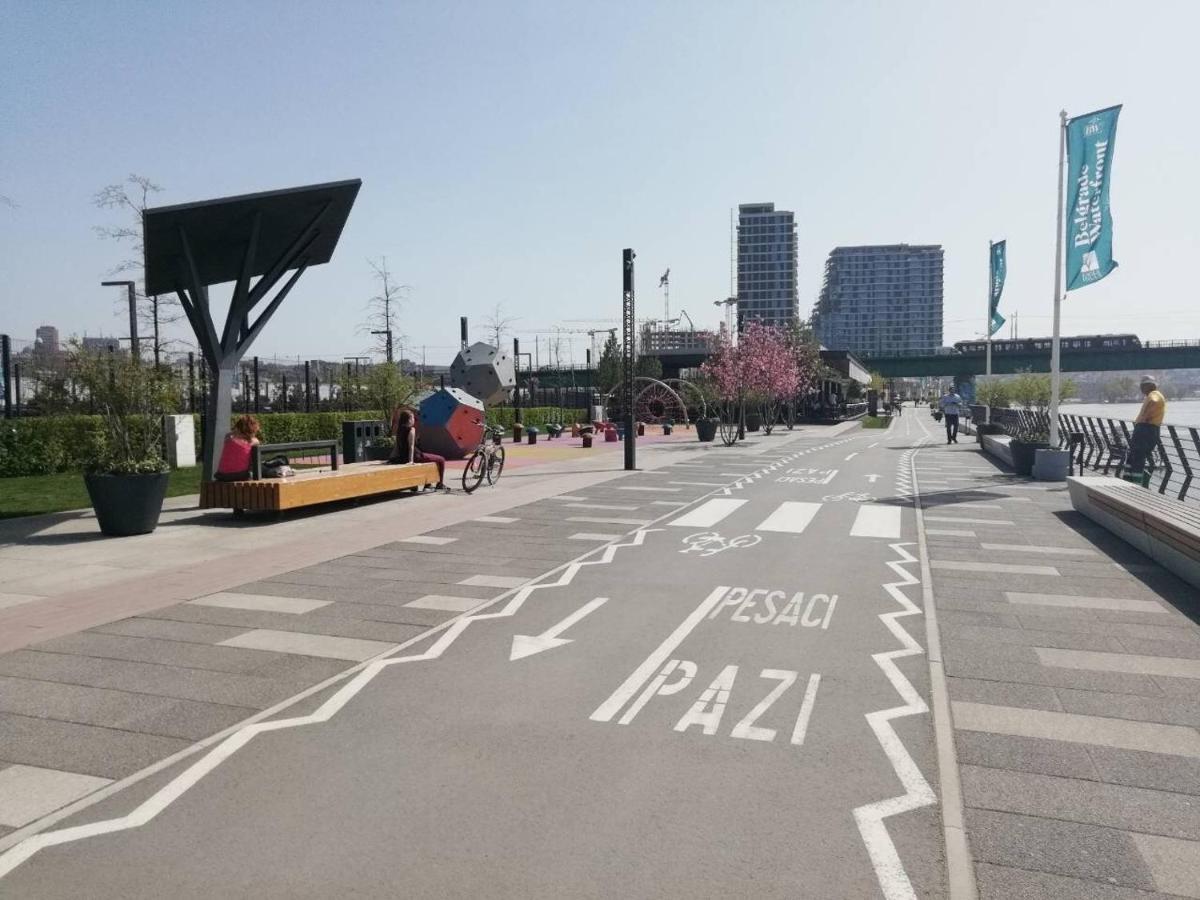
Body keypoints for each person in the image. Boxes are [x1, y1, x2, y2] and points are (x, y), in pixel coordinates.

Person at [389, 408, 448, 491]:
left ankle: (427, 484)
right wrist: (411, 461)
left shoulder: (399, 430)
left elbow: (397, 445)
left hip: (403, 457)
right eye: (413, 418)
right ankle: (440, 484)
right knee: (441, 459)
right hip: (416, 456)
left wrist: (391, 458)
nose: (414, 420)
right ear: (409, 420)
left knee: (429, 461)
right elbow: (411, 446)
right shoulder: (411, 429)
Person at [1125, 375, 1166, 481]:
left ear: (1149, 386)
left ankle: (1136, 483)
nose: (1141, 388)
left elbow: (1154, 401)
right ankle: (1129, 479)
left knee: (1138, 456)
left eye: (1143, 386)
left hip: (1146, 429)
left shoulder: (1154, 394)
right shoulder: (1150, 395)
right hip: (1145, 429)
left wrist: (1145, 417)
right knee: (1133, 455)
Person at [215, 415, 260, 481]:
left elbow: (231, 433)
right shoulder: (253, 442)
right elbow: (255, 441)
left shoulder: (228, 438)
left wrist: (237, 431)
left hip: (222, 475)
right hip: (241, 475)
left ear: (237, 428)